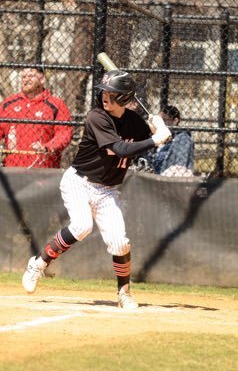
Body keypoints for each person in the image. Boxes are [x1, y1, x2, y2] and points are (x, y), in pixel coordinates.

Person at [21, 69, 171, 309]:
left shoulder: (133, 122)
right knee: (82, 226)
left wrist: (158, 125)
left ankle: (124, 293)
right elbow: (121, 149)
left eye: (111, 94)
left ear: (123, 97)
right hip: (79, 182)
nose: (105, 97)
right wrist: (156, 138)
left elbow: (161, 137)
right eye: (104, 92)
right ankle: (38, 263)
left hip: (107, 190)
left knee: (120, 242)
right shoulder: (96, 117)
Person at [0, 67, 73, 168]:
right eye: (23, 77)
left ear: (42, 79)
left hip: (43, 171)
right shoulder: (9, 103)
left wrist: (47, 147)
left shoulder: (56, 105)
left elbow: (64, 133)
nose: (26, 79)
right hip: (12, 169)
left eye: (31, 76)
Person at [135, 105, 194, 177]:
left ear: (175, 121)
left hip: (170, 177)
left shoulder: (182, 139)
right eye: (159, 121)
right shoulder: (155, 136)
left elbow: (180, 164)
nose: (160, 124)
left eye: (164, 120)